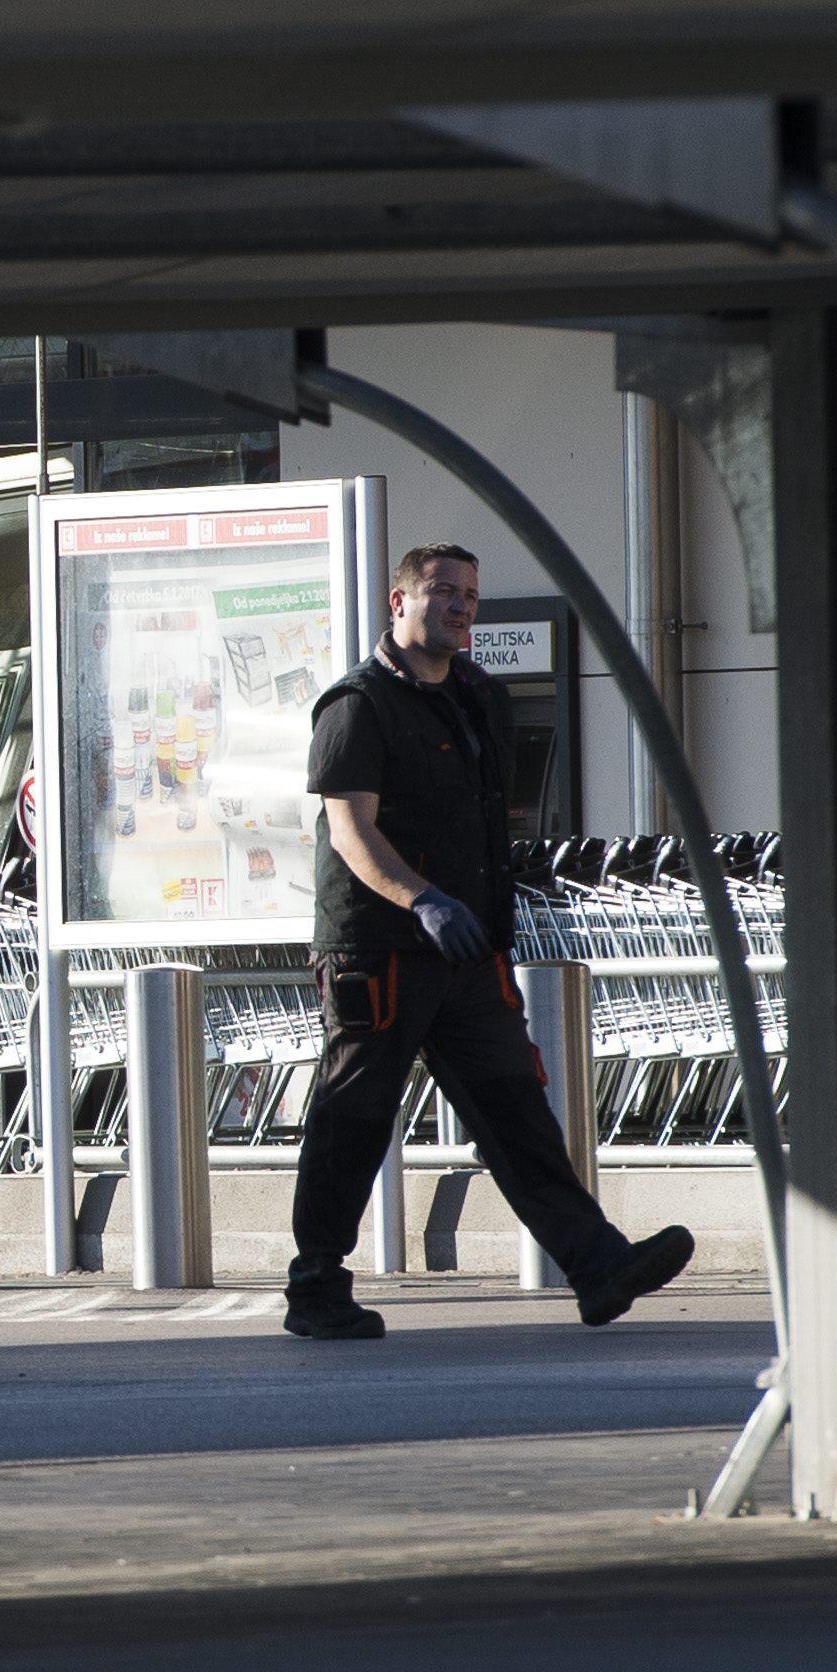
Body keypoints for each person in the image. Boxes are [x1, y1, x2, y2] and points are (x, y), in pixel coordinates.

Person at [291, 543, 692, 1341]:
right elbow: (349, 829)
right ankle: (316, 1285)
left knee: (514, 1105)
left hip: (468, 950)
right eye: (442, 591)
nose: (460, 605)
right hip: (380, 948)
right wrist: (422, 898)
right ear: (399, 601)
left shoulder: (477, 695)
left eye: (470, 593)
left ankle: (596, 1263)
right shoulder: (358, 704)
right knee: (356, 1113)